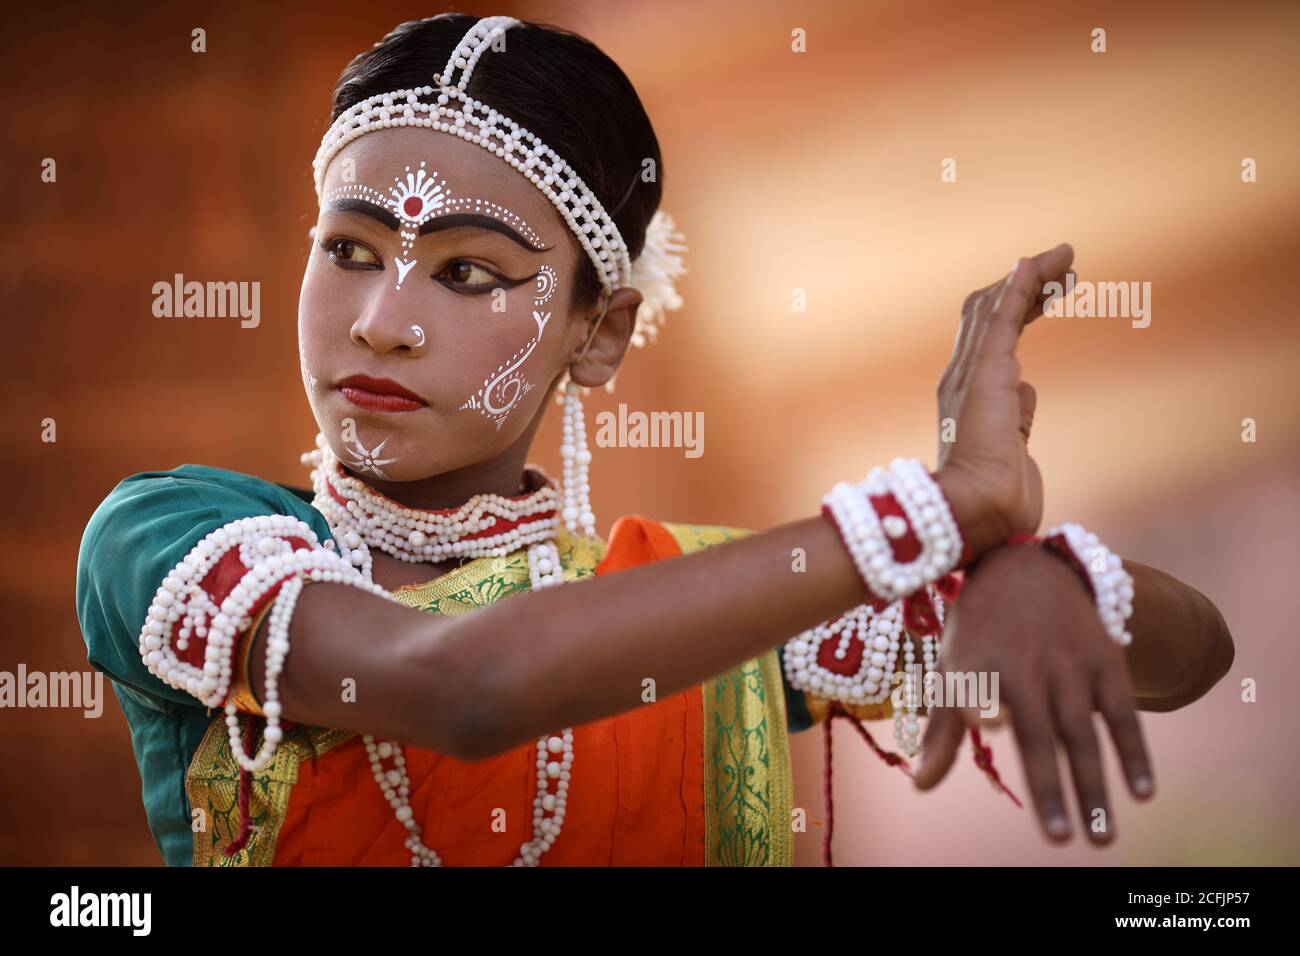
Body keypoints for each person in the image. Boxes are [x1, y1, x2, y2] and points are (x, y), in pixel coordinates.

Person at [75, 13, 1233, 867]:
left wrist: (1031, 570)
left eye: (468, 272)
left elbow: (1191, 654)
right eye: (351, 251)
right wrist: (934, 514)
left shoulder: (701, 613)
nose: (381, 320)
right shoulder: (179, 537)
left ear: (601, 332)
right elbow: (460, 691)